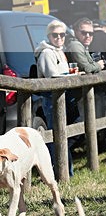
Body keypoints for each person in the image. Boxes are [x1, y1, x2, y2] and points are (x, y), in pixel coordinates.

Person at [34, 20, 76, 176]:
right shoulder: (46, 53)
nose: (59, 38)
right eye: (55, 35)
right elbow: (52, 75)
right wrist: (69, 76)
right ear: (49, 36)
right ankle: (58, 173)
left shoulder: (60, 51)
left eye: (62, 35)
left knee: (63, 133)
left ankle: (66, 171)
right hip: (52, 98)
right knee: (56, 135)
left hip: (63, 96)